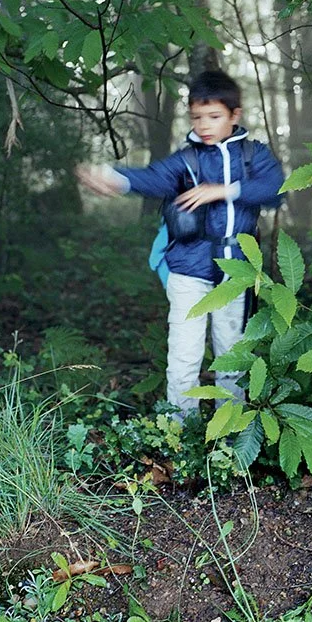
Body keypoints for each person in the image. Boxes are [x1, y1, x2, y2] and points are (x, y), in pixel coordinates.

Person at [76, 71, 284, 420]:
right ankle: (179, 434)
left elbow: (276, 188)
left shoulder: (253, 155)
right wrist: (117, 179)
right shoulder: (187, 159)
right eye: (197, 117)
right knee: (184, 356)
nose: (204, 125)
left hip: (237, 272)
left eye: (214, 116)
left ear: (235, 115)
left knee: (231, 358)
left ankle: (229, 430)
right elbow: (153, 177)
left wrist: (223, 189)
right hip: (188, 269)